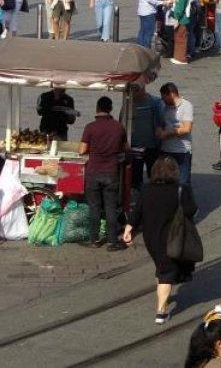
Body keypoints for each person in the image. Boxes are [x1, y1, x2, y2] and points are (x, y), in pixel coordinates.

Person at [121, 155, 197, 322]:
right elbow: (191, 210)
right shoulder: (181, 189)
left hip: (151, 237)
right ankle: (161, 311)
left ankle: (163, 293)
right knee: (167, 272)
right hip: (172, 237)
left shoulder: (147, 188)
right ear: (174, 172)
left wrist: (128, 228)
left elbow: (137, 212)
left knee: (161, 266)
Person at [75, 95, 129, 251]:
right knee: (111, 207)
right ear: (110, 109)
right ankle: (112, 242)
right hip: (111, 172)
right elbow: (126, 148)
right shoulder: (119, 127)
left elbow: (82, 150)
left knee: (94, 207)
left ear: (97, 108)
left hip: (93, 172)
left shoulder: (90, 127)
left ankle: (94, 239)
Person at [158, 83, 194, 186]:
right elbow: (161, 123)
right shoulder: (163, 106)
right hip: (166, 150)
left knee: (183, 182)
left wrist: (167, 133)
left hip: (182, 151)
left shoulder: (186, 105)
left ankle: (183, 201)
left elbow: (186, 128)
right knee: (165, 181)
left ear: (171, 94)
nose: (162, 99)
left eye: (164, 97)